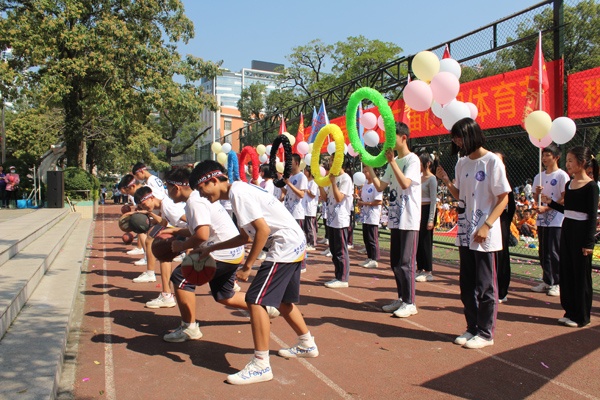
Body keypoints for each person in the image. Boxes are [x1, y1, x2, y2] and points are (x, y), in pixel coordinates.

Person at [191, 160, 318, 385]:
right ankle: (307, 343)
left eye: (202, 190)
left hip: (284, 245)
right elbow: (245, 236)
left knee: (255, 300)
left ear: (212, 181)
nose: (202, 196)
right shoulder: (238, 193)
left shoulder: (238, 194)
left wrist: (248, 266)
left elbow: (263, 230)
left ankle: (261, 364)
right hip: (293, 241)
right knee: (283, 301)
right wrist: (211, 247)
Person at [436, 118, 510, 349]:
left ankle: (486, 333)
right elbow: (461, 196)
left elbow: (503, 198)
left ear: (471, 134)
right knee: (466, 282)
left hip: (484, 233)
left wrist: (487, 225)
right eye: (454, 139)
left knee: (485, 284)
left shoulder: (492, 162)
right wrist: (447, 181)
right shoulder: (462, 163)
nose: (457, 142)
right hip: (466, 230)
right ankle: (472, 327)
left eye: (459, 137)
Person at [367, 122, 421, 318]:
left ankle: (410, 302)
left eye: (393, 136)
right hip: (396, 219)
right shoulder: (396, 160)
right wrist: (370, 169)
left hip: (409, 219)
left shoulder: (412, 160)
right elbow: (381, 186)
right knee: (396, 262)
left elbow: (406, 183)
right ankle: (401, 297)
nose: (389, 140)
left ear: (403, 137)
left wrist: (391, 162)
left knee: (406, 262)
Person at [542, 146, 598, 328]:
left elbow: (591, 217)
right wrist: (551, 203)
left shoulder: (591, 186)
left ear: (581, 163)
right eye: (567, 161)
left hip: (581, 232)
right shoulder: (569, 184)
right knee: (567, 270)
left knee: (580, 274)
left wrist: (589, 242)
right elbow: (568, 210)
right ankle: (570, 311)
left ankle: (582, 315)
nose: (568, 164)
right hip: (567, 229)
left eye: (571, 161)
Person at [133, 185, 187, 308]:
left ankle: (167, 296)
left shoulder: (169, 207)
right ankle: (166, 295)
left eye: (144, 203)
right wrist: (150, 220)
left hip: (193, 233)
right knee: (164, 255)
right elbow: (164, 222)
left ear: (151, 197)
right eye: (141, 206)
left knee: (168, 256)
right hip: (188, 232)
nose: (144, 206)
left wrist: (189, 242)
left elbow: (190, 221)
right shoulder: (164, 204)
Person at [531, 143, 569, 297]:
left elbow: (564, 197)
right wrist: (537, 194)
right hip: (542, 220)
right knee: (543, 251)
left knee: (554, 251)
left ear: (556, 157)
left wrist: (547, 208)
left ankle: (558, 283)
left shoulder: (561, 175)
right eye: (543, 155)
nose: (544, 158)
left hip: (556, 220)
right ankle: (547, 280)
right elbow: (535, 197)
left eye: (548, 155)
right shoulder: (538, 177)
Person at [318, 159, 354, 288]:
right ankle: (338, 275)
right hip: (332, 219)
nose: (331, 164)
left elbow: (339, 198)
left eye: (333, 161)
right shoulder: (332, 178)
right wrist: (320, 184)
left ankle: (343, 278)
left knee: (340, 250)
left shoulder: (345, 179)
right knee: (333, 249)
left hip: (341, 219)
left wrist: (333, 182)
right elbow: (326, 198)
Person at [495, 152, 516, 303]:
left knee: (502, 255)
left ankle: (502, 291)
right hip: (488, 220)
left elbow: (511, 206)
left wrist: (506, 222)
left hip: (501, 221)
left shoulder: (507, 183)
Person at [415, 152, 438, 282]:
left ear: (427, 163)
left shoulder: (432, 179)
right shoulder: (418, 178)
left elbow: (434, 200)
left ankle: (428, 270)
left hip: (427, 209)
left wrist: (430, 219)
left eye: (420, 163)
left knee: (426, 241)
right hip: (418, 210)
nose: (418, 166)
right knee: (418, 240)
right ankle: (420, 267)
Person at [356, 165, 382, 269]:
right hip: (365, 215)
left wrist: (365, 203)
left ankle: (374, 259)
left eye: (366, 171)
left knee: (372, 238)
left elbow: (379, 201)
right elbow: (364, 198)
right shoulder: (365, 184)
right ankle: (369, 257)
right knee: (366, 237)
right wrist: (359, 199)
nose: (364, 173)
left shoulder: (377, 184)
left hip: (372, 215)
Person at [303, 166, 319, 251]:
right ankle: (308, 242)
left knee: (310, 227)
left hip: (311, 208)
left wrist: (306, 189)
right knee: (306, 227)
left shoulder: (313, 182)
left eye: (305, 171)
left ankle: (313, 243)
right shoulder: (307, 182)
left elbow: (313, 194)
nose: (304, 172)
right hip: (304, 208)